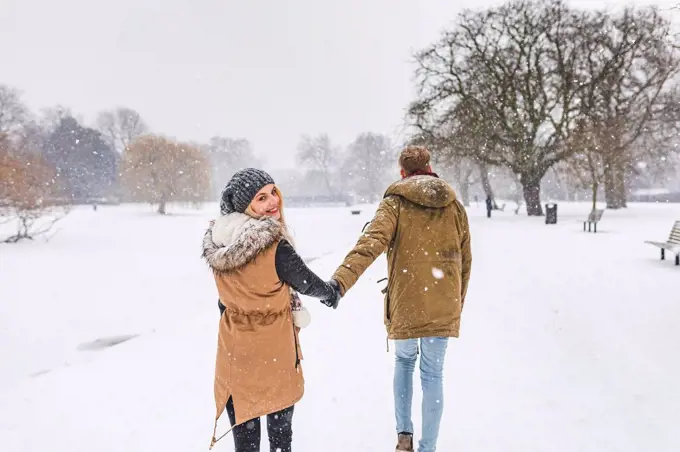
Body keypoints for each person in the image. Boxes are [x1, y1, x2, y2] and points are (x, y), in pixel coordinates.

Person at [329, 146, 472, 452]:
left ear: (402, 172)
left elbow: (369, 244)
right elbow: (466, 260)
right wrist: (455, 301)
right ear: (429, 166)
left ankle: (404, 437)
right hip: (443, 300)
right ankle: (428, 447)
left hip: (407, 299)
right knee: (433, 373)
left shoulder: (394, 204)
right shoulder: (454, 206)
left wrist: (341, 281)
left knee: (404, 362)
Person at [202, 168, 340, 452]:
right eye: (261, 198)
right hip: (274, 354)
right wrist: (331, 292)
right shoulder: (274, 246)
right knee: (280, 438)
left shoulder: (218, 243)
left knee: (246, 442)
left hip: (234, 354)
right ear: (245, 207)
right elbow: (307, 282)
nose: (272, 202)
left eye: (273, 192)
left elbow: (224, 302)